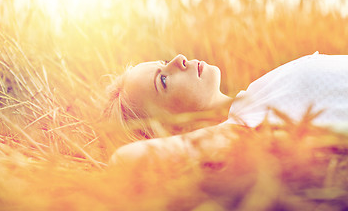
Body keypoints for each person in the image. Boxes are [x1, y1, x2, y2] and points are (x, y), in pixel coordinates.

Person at [105, 52, 348, 165]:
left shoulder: (257, 92)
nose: (178, 59)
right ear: (169, 129)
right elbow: (123, 161)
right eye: (163, 80)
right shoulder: (241, 130)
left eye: (162, 62)